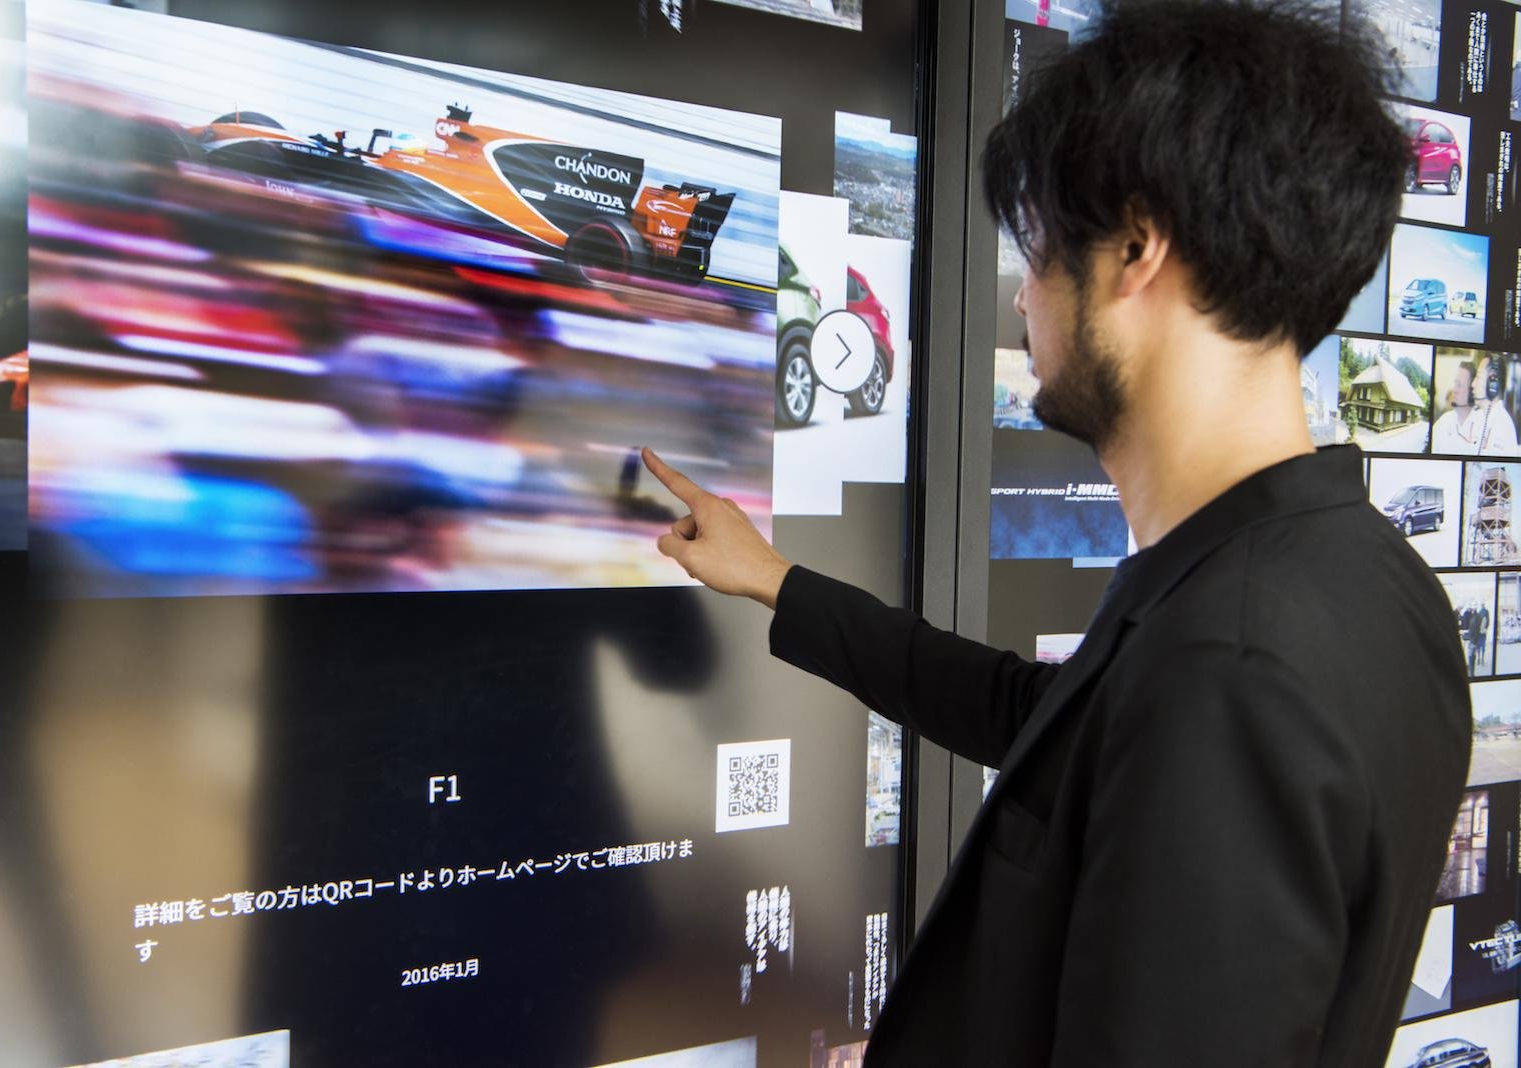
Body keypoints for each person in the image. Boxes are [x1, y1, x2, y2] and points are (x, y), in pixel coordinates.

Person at [640, 0, 1470, 1062]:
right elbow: (1050, 726)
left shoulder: (1229, 667)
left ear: (1135, 250)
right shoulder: (1356, 577)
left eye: (1034, 253)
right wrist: (776, 581)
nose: (1023, 301)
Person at [1431, 357, 1520, 455]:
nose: (1473, 384)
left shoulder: (1501, 425)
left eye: (1478, 377)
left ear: (1492, 385)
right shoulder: (1482, 419)